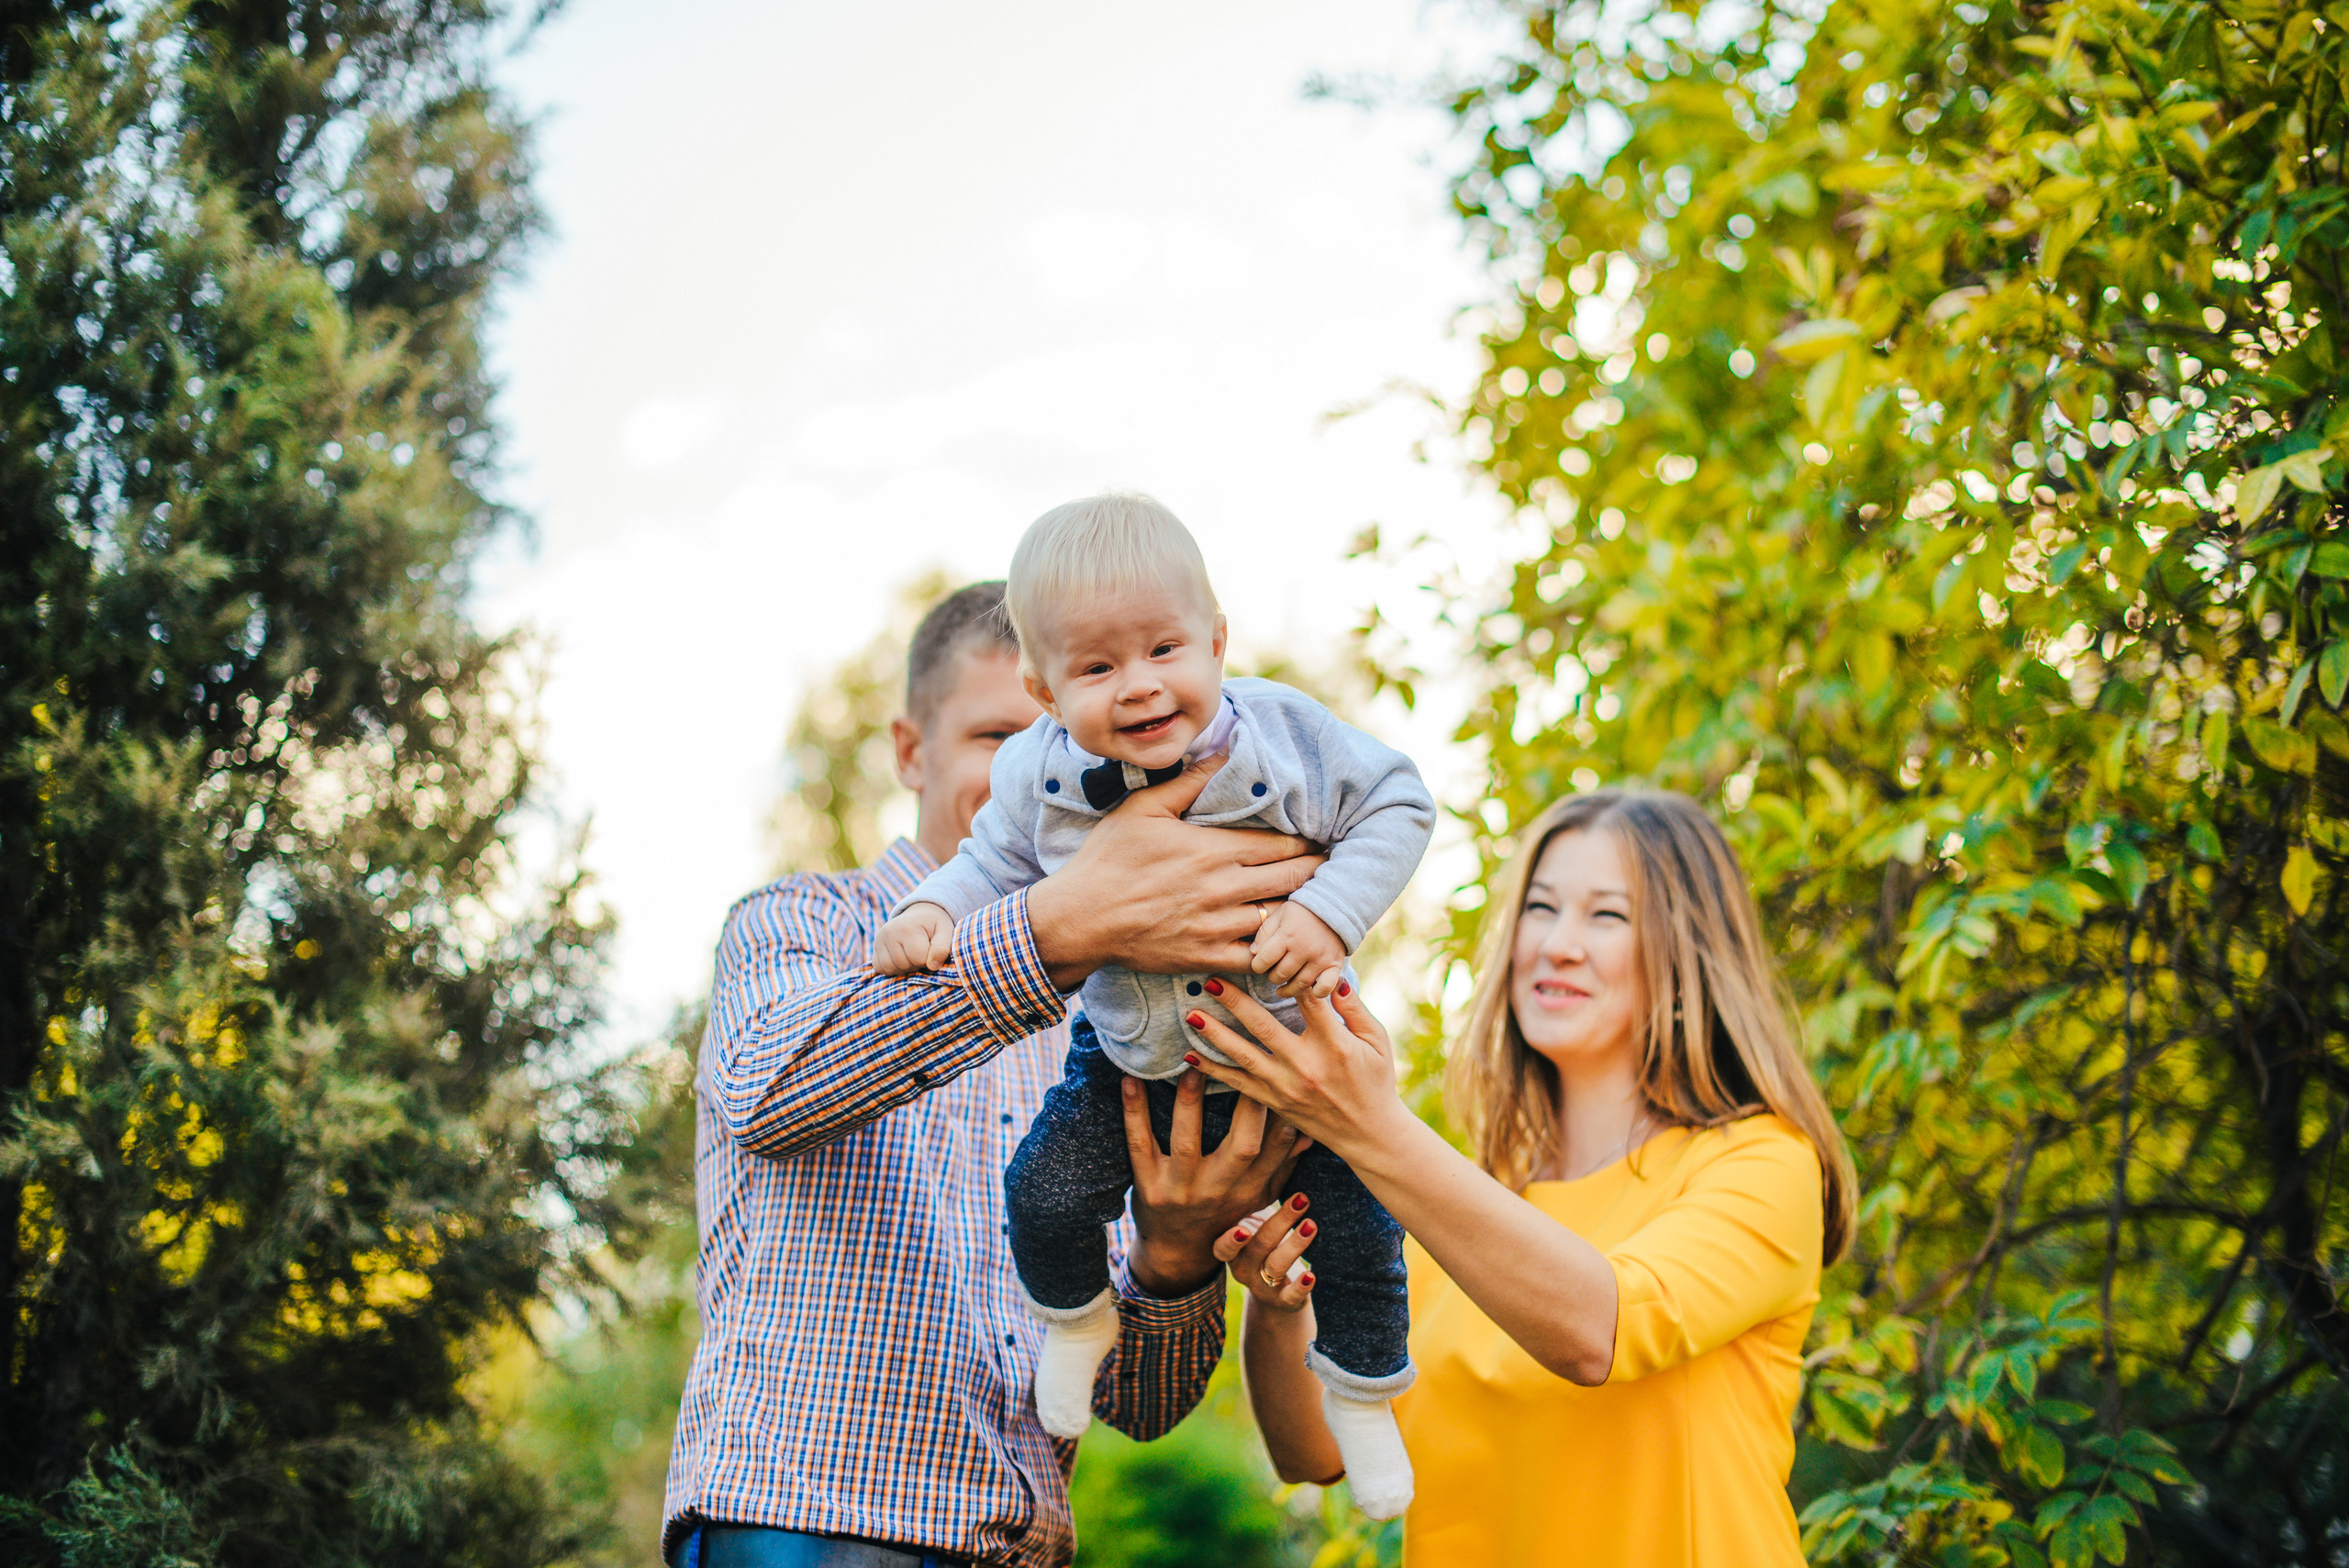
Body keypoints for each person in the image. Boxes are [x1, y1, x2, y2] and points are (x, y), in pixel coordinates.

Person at [662, 581, 1325, 1568]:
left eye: (1065, 741)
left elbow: (1139, 1405)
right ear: (908, 750)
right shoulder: (804, 923)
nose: (1043, 773)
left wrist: (1175, 1255)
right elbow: (768, 1085)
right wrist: (1067, 922)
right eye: (995, 739)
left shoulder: (1118, 1026)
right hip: (809, 1524)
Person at [874, 495, 1435, 1518]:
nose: (1138, 685)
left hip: (1287, 1051)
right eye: (1095, 669)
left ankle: (1361, 1395)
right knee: (1043, 1188)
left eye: (1164, 649)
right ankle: (1077, 1321)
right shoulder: (1036, 776)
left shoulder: (1286, 735)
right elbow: (989, 864)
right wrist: (926, 906)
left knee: (1358, 1233)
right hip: (1128, 1060)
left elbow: (1398, 801)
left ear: (1216, 638)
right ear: (1045, 690)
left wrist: (1327, 912)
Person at [1186, 789, 1857, 1565]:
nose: (1559, 944)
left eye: (1608, 915)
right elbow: (1317, 1454)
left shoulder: (1761, 1162)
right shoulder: (1468, 1200)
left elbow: (1601, 1331)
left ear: (1689, 953)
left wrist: (1367, 1124)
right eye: (1541, 908)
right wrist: (1276, 1307)